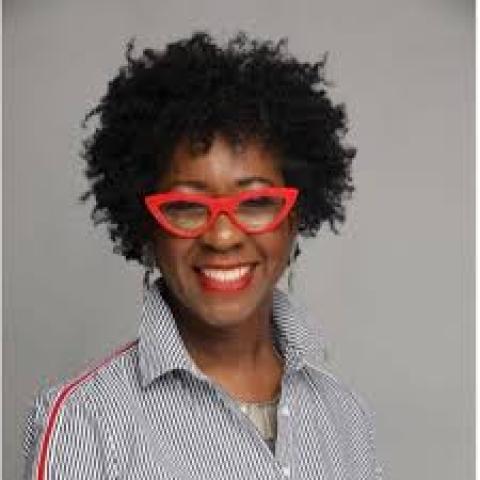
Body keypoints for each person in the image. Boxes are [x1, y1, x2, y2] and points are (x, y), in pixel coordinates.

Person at [23, 31, 382, 479]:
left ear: (296, 217)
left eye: (255, 202)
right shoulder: (86, 421)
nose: (224, 235)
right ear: (147, 226)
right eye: (187, 207)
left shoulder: (345, 416)